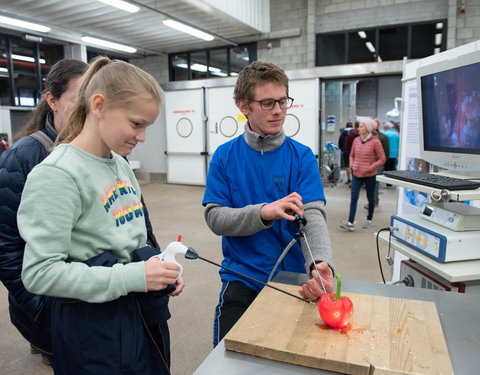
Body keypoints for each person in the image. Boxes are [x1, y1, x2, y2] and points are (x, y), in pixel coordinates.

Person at [17, 56, 184, 374]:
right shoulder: (57, 175)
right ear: (98, 105)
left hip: (138, 314)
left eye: (147, 126)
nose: (142, 137)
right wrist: (134, 276)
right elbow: (39, 274)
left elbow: (131, 237)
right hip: (93, 331)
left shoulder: (119, 162)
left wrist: (158, 270)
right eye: (136, 123)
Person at [202, 61, 335, 347]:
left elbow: (313, 215)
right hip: (242, 277)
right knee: (227, 360)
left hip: (293, 280)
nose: (278, 110)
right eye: (267, 103)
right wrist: (262, 213)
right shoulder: (224, 157)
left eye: (283, 101)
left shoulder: (301, 157)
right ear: (243, 106)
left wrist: (322, 265)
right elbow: (215, 218)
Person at [0, 59, 88, 364]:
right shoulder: (21, 159)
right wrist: (42, 309)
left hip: (89, 300)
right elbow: (6, 247)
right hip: (48, 307)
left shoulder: (104, 152)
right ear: (51, 100)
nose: (90, 110)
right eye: (79, 100)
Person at [340, 118, 386, 231]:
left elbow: (382, 159)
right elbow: (351, 155)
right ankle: (350, 222)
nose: (359, 128)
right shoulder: (356, 140)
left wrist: (371, 167)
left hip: (370, 175)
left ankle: (369, 219)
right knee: (354, 197)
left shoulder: (375, 142)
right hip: (356, 174)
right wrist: (352, 165)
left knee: (370, 198)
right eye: (359, 126)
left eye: (361, 126)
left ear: (368, 129)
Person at [366, 118, 389, 209]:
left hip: (377, 164)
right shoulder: (367, 137)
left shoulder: (383, 137)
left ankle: (374, 201)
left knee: (374, 184)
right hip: (368, 164)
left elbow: (386, 152)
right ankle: (373, 201)